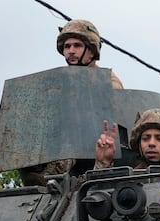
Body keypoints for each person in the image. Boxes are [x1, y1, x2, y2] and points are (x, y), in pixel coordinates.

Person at [20, 19, 123, 186]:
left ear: (91, 50)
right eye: (67, 47)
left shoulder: (107, 80)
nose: (71, 51)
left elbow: (108, 114)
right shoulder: (60, 81)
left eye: (77, 45)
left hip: (94, 145)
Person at [94, 108, 160, 169]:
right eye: (145, 138)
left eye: (159, 139)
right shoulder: (129, 179)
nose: (151, 143)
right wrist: (103, 163)